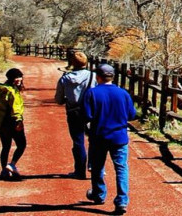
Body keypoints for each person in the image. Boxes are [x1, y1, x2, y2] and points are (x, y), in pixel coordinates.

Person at [82, 63, 135, 215]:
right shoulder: (123, 93)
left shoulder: (92, 93)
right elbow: (132, 115)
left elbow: (87, 115)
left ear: (98, 77)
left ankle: (99, 194)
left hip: (99, 136)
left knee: (97, 166)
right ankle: (122, 200)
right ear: (112, 76)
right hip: (119, 137)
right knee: (121, 168)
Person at [54, 50, 94, 179]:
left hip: (73, 112)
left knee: (78, 142)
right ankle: (94, 166)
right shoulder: (93, 76)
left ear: (72, 63)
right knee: (94, 139)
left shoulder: (65, 78)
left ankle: (80, 171)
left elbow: (59, 99)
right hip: (91, 112)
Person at [0, 67, 26, 179]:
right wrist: (19, 121)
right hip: (12, 121)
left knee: (5, 146)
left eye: (20, 76)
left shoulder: (3, 89)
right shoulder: (12, 91)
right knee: (21, 144)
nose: (19, 79)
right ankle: (12, 165)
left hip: (2, 121)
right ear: (11, 78)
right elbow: (16, 108)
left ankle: (4, 170)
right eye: (16, 77)